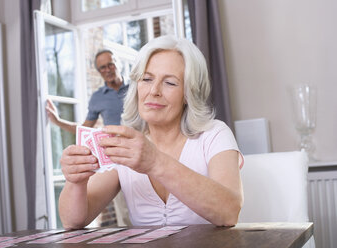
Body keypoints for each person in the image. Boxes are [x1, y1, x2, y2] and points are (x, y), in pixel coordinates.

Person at [58, 35, 244, 229]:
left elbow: (229, 212)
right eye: (146, 79)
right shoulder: (124, 143)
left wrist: (155, 162)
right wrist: (75, 181)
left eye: (170, 83)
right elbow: (73, 221)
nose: (153, 91)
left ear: (189, 93)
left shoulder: (215, 134)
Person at [45, 49, 130, 226]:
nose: (107, 70)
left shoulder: (136, 88)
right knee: (125, 213)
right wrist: (59, 121)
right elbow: (85, 128)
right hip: (117, 161)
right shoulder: (98, 98)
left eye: (110, 64)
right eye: (102, 68)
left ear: (118, 64)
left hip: (142, 153)